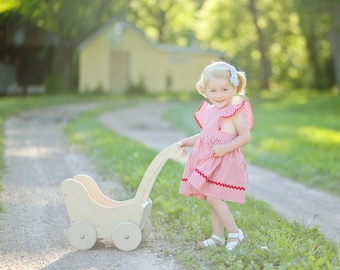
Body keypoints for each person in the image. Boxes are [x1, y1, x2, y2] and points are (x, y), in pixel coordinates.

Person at [176, 61, 254, 251]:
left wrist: (225, 148)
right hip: (210, 161)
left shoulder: (234, 111)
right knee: (212, 198)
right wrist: (185, 142)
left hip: (225, 160)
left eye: (224, 89)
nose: (219, 95)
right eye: (213, 91)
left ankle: (235, 233)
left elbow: (245, 136)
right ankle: (217, 236)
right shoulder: (209, 111)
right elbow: (205, 137)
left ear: (234, 87)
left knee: (213, 197)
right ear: (205, 90)